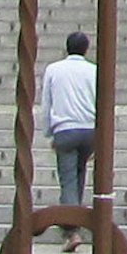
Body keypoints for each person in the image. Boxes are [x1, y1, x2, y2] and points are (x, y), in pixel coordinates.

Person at [39, 31, 96, 210]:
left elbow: (46, 103)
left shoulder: (53, 70)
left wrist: (48, 131)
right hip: (89, 129)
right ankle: (76, 211)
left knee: (68, 177)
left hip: (65, 129)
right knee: (80, 173)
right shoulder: (94, 70)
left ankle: (71, 226)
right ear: (86, 49)